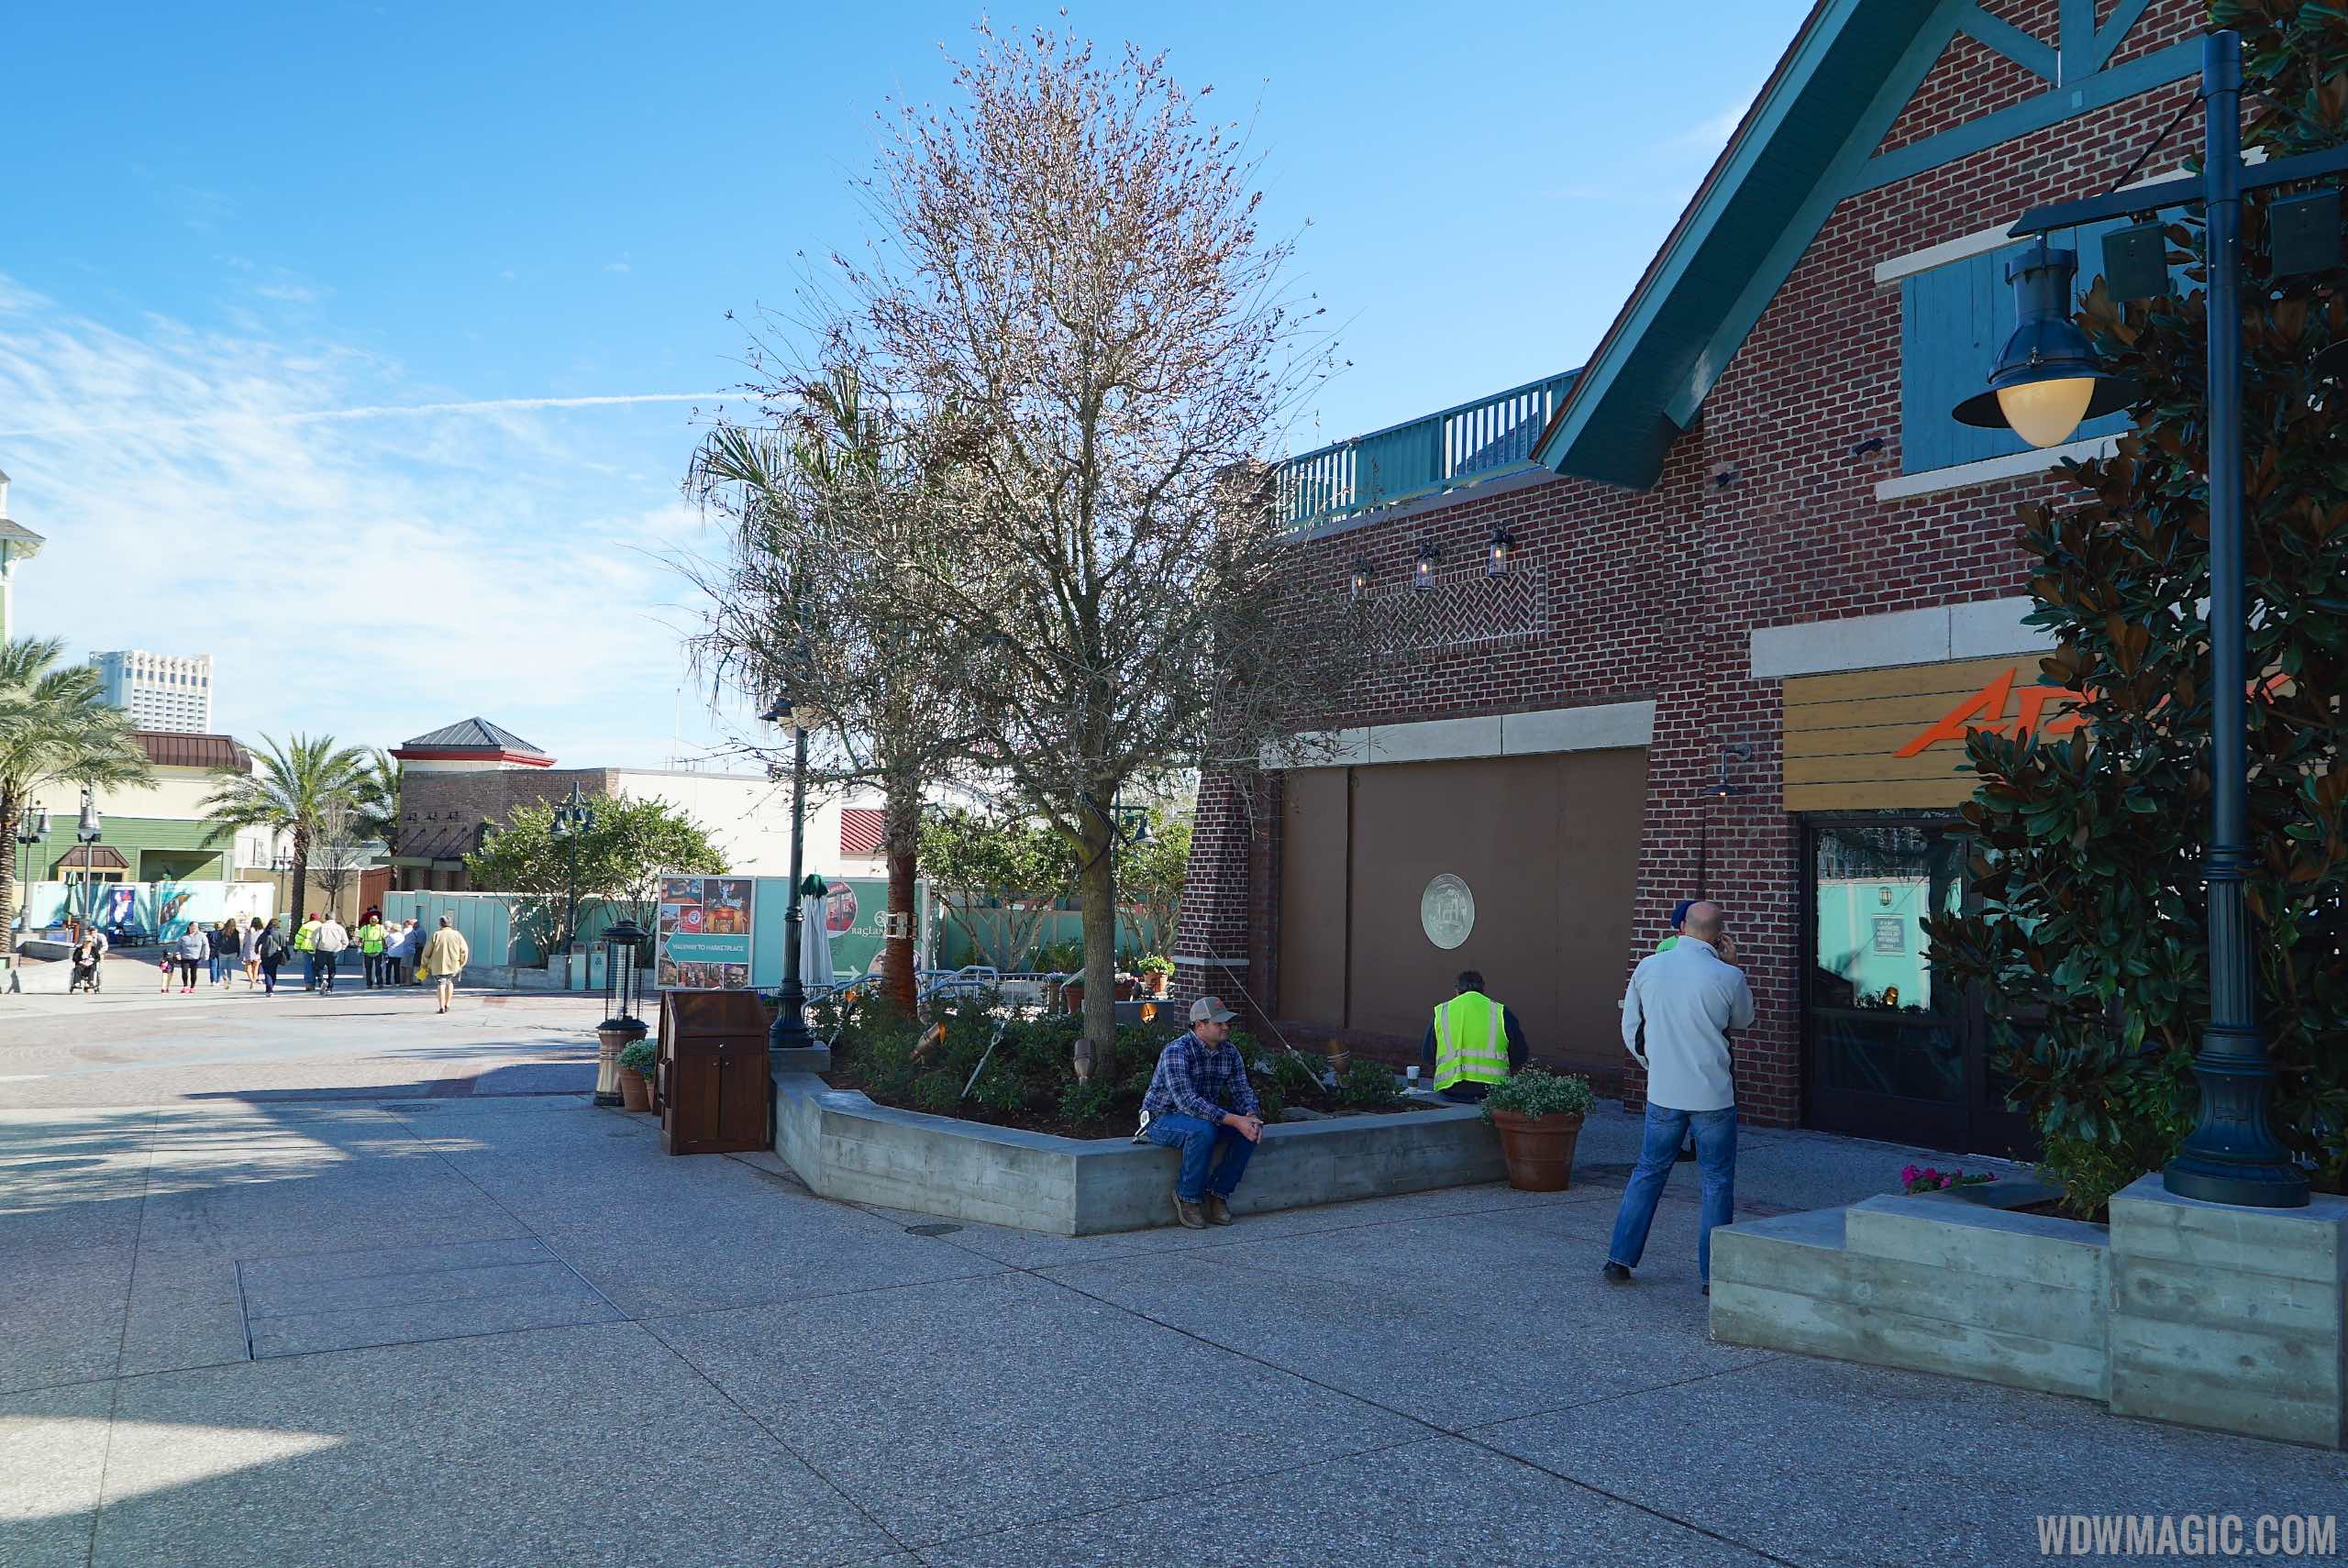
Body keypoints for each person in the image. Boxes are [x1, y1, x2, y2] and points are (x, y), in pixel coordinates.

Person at [1604, 900, 1754, 1294]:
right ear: (1720, 936)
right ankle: (1711, 1277)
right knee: (1717, 1181)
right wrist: (1733, 965)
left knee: (1648, 1172)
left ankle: (1619, 1259)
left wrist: (1652, 1065)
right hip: (1713, 1095)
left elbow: (1631, 1027)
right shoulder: (1727, 976)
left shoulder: (1648, 968)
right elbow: (1743, 1021)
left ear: (1681, 928)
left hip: (1664, 1091)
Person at [1136, 997, 1262, 1229]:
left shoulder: (1230, 1052)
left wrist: (1251, 1115)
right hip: (1162, 1118)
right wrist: (1235, 1120)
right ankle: (1187, 1197)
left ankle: (1218, 1194)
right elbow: (1187, 1102)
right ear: (1199, 1025)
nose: (1226, 1027)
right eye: (1219, 1023)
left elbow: (1242, 1089)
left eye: (1227, 1023)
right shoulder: (1176, 1051)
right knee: (1203, 1131)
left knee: (1249, 1131)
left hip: (1204, 1117)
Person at [1420, 969, 1529, 1103]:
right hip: (1493, 1091)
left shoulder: (1442, 1012)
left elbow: (1427, 1056)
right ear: (1483, 989)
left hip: (1451, 1090)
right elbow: (1520, 1055)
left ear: (1456, 990)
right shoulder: (1500, 1012)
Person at [418, 916, 470, 1013]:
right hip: (453, 964)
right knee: (449, 982)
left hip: (438, 965)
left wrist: (424, 964)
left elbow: (427, 952)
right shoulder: (457, 935)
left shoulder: (436, 934)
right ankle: (448, 1004)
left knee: (441, 984)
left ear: (440, 923)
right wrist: (461, 962)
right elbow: (464, 950)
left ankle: (441, 1007)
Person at [312, 912, 350, 994]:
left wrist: (315, 949)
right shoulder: (340, 928)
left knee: (319, 968)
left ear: (326, 918)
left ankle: (321, 981)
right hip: (334, 951)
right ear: (334, 918)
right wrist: (341, 948)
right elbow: (345, 941)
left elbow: (315, 940)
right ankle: (330, 988)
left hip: (321, 950)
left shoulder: (321, 927)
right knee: (332, 970)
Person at [258, 917, 289, 994]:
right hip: (275, 955)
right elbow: (284, 946)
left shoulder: (264, 933)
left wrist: (256, 950)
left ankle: (269, 988)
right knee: (273, 971)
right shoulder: (280, 934)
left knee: (267, 972)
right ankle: (270, 987)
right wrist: (287, 956)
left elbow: (257, 943)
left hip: (264, 954)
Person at [357, 911, 387, 988]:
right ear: (369, 920)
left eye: (375, 919)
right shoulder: (365, 928)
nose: (373, 921)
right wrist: (359, 948)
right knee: (368, 969)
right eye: (372, 919)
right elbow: (360, 939)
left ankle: (380, 983)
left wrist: (385, 949)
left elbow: (384, 939)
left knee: (378, 968)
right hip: (367, 951)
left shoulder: (381, 928)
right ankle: (369, 984)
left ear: (378, 920)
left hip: (378, 951)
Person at [173, 924, 205, 993]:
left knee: (193, 973)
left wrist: (204, 955)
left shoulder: (201, 935)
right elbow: (178, 946)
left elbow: (205, 945)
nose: (194, 928)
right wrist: (177, 953)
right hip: (185, 957)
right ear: (189, 927)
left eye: (195, 927)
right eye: (192, 927)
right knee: (184, 972)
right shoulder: (183, 936)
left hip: (196, 958)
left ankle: (192, 987)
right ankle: (185, 986)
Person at [67, 926, 100, 994]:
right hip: (81, 965)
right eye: (87, 942)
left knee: (92, 968)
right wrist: (80, 961)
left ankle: (90, 982)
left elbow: (98, 958)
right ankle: (77, 983)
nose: (88, 943)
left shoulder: (94, 949)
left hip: (90, 965)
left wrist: (92, 961)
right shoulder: (79, 949)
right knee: (77, 968)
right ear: (84, 942)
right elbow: (74, 958)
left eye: (89, 942)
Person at [294, 912, 321, 990]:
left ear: (310, 918)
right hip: (318, 949)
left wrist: (296, 948)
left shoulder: (305, 926)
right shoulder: (321, 926)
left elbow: (299, 938)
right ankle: (321, 982)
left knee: (308, 967)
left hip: (307, 949)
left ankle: (309, 985)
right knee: (319, 967)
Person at [206, 919, 234, 988]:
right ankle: (218, 981)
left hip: (212, 951)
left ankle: (213, 981)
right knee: (220, 967)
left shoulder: (210, 934)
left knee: (213, 967)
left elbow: (207, 943)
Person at [240, 916, 263, 988]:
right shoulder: (262, 931)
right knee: (256, 968)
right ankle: (253, 980)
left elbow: (245, 941)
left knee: (247, 969)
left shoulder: (249, 931)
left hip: (249, 950)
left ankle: (252, 980)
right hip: (258, 950)